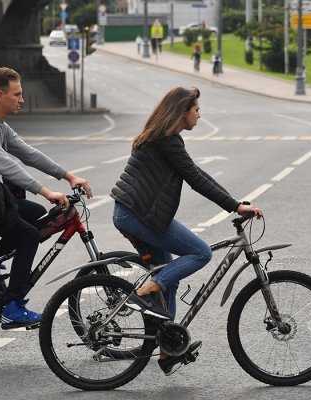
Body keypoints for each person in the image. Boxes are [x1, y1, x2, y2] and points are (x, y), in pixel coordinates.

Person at [110, 87, 263, 374]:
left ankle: (167, 350)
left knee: (169, 275)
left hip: (137, 214)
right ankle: (144, 293)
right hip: (138, 215)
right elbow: (195, 178)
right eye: (196, 109)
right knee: (200, 252)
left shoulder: (164, 138)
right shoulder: (167, 141)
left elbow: (198, 173)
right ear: (182, 112)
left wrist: (234, 203)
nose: (199, 114)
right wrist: (235, 207)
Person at [0, 67, 92, 329]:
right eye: (17, 94)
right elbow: (5, 164)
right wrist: (46, 191)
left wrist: (67, 176)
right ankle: (12, 306)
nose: (22, 99)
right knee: (28, 235)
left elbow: (28, 153)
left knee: (34, 214)